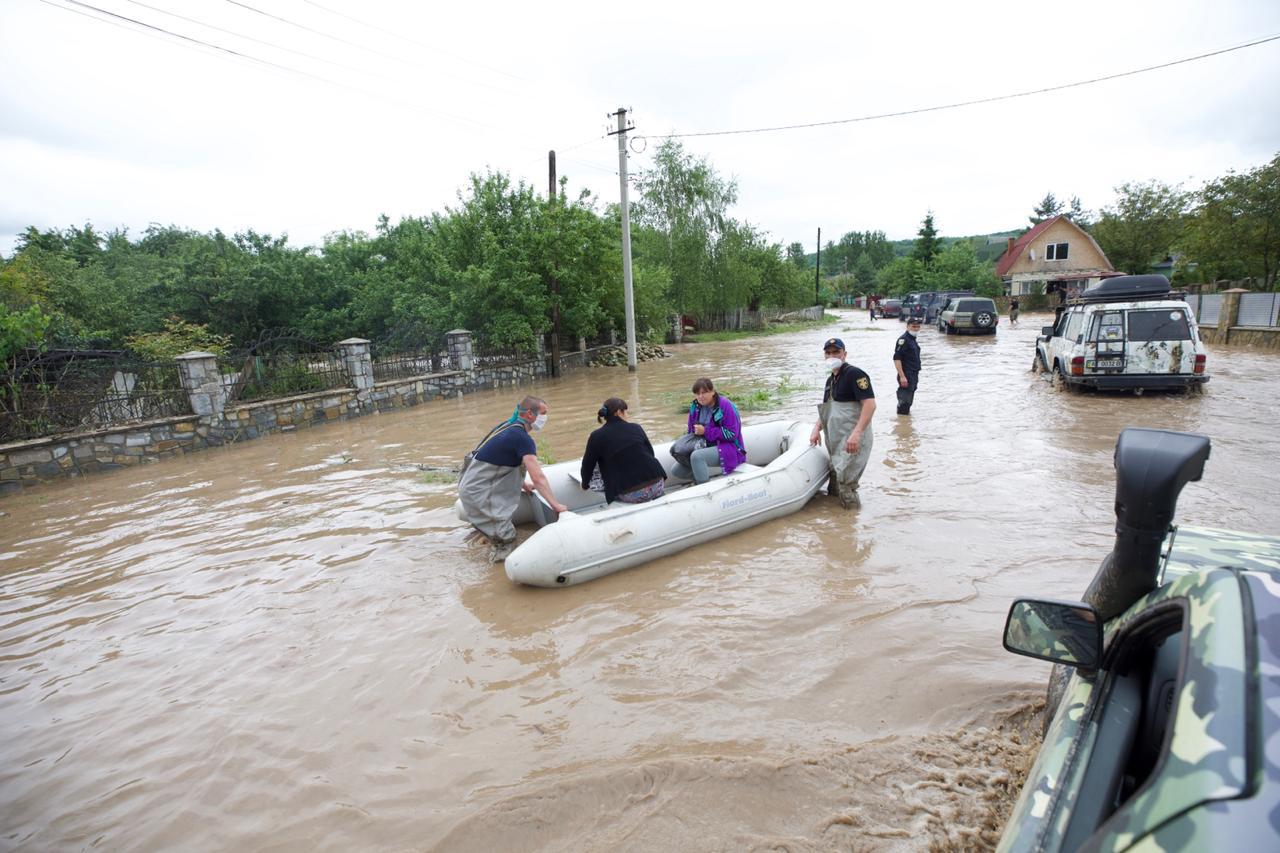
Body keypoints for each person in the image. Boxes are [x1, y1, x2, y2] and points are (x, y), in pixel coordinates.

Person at [458, 395, 567, 562]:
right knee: (507, 539)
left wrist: (523, 485)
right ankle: (498, 575)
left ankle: (489, 541)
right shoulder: (522, 439)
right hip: (480, 494)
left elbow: (501, 464)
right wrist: (556, 505)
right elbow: (538, 477)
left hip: (471, 487)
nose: (545, 418)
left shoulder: (509, 428)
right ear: (530, 414)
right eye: (543, 413)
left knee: (496, 534)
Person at [810, 337, 876, 509]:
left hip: (853, 438)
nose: (832, 356)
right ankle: (836, 522)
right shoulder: (830, 380)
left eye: (836, 352)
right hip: (836, 439)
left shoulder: (855, 374)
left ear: (844, 354)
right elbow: (828, 409)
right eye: (828, 352)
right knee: (834, 478)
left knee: (847, 483)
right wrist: (816, 428)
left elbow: (870, 404)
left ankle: (850, 525)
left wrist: (857, 433)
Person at [580, 398, 668, 504]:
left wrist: (584, 485)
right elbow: (650, 453)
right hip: (658, 484)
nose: (628, 415)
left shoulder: (596, 436)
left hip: (631, 494)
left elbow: (587, 465)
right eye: (626, 411)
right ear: (618, 412)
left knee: (596, 467)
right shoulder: (636, 427)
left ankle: (616, 503)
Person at [671, 378, 746, 485]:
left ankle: (705, 488)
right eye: (697, 393)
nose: (701, 396)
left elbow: (732, 434)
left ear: (713, 391)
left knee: (697, 456)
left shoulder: (725, 406)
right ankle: (702, 479)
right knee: (676, 470)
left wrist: (705, 431)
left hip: (728, 447)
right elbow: (691, 431)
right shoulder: (695, 406)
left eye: (704, 392)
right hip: (704, 445)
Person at [893, 317, 922, 416]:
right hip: (906, 374)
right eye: (913, 326)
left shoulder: (912, 340)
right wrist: (902, 376)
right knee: (904, 402)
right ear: (908, 326)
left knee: (908, 400)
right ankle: (902, 427)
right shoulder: (903, 340)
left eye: (918, 327)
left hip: (913, 374)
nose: (916, 329)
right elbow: (897, 358)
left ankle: (904, 423)